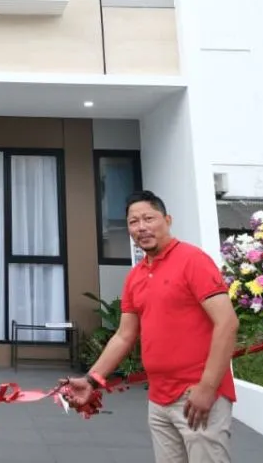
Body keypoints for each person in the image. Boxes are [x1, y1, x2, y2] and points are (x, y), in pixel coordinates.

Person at [63, 191, 239, 463]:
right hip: (158, 398)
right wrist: (91, 380)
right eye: (133, 222)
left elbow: (227, 322)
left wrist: (207, 387)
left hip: (197, 394)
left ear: (167, 220)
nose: (141, 227)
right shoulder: (135, 276)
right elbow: (124, 336)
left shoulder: (193, 260)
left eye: (148, 218)